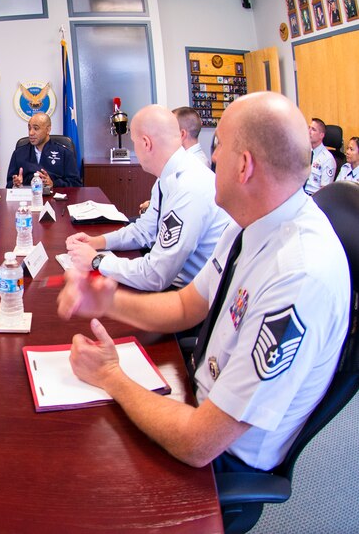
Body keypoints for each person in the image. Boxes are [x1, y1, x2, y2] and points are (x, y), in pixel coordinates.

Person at [57, 92, 349, 473]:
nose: (211, 158)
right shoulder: (249, 222)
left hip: (221, 458)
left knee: (85, 461)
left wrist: (110, 376)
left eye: (219, 145)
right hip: (200, 391)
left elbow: (198, 443)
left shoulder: (298, 278)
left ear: (243, 166)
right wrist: (107, 302)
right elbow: (186, 305)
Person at [67, 105, 230, 292]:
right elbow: (144, 231)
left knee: (90, 296)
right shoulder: (168, 175)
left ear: (146, 143)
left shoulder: (189, 186)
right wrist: (97, 241)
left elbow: (156, 275)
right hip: (173, 283)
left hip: (187, 295)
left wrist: (97, 260)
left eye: (134, 142)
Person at [6, 112, 81, 188]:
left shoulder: (64, 153)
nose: (31, 133)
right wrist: (15, 184)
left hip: (54, 194)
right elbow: (9, 184)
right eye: (29, 128)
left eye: (36, 128)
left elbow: (76, 184)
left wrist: (54, 184)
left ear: (48, 130)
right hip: (27, 194)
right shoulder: (18, 153)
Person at [305, 117, 335, 195]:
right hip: (300, 194)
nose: (309, 131)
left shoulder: (327, 159)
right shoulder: (304, 152)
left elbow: (324, 191)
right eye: (309, 128)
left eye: (313, 129)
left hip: (314, 197)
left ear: (321, 135)